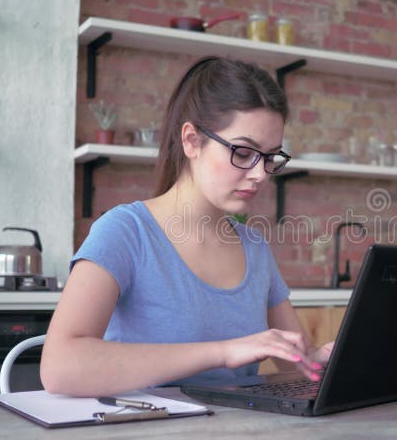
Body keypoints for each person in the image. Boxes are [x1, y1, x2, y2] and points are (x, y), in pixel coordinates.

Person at [40, 56, 332, 397]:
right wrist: (223, 351)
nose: (260, 173)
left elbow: (297, 361)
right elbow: (60, 367)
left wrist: (324, 359)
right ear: (192, 140)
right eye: (243, 152)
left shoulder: (254, 247)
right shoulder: (125, 232)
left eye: (270, 157)